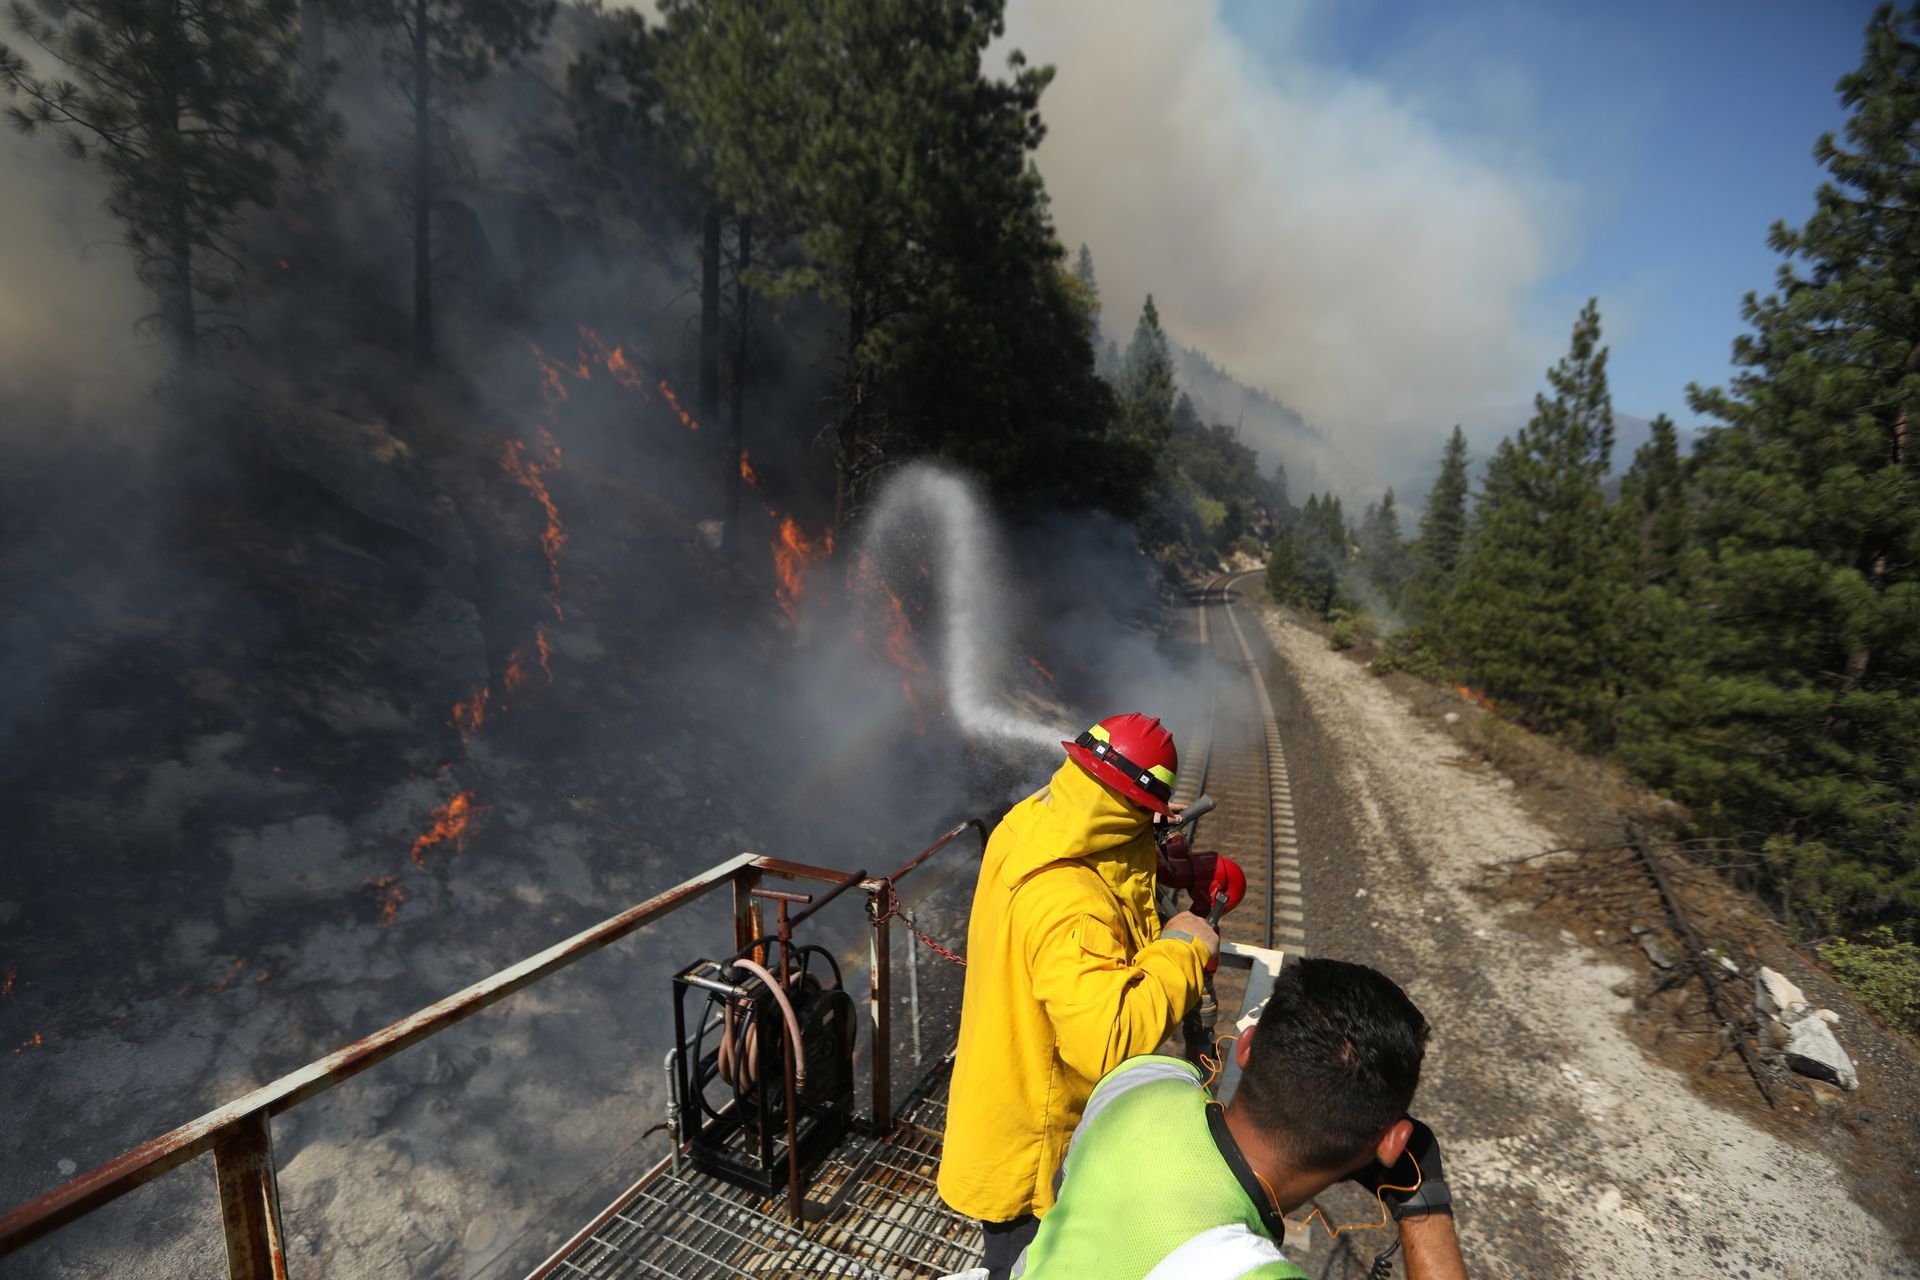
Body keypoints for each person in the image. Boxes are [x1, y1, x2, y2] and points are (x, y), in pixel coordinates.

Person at [937, 713, 1220, 1280]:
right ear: (1137, 807)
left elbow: (1100, 847)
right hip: (1039, 1153)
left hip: (1000, 1096)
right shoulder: (1074, 904)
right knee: (1028, 1267)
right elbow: (1107, 1041)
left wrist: (1150, 848)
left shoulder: (1029, 822)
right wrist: (1184, 946)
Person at [1008, 956, 1468, 1280]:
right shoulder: (1243, 1270)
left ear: (1245, 1049)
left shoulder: (1140, 1083)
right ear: (1391, 1142)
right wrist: (1424, 1206)